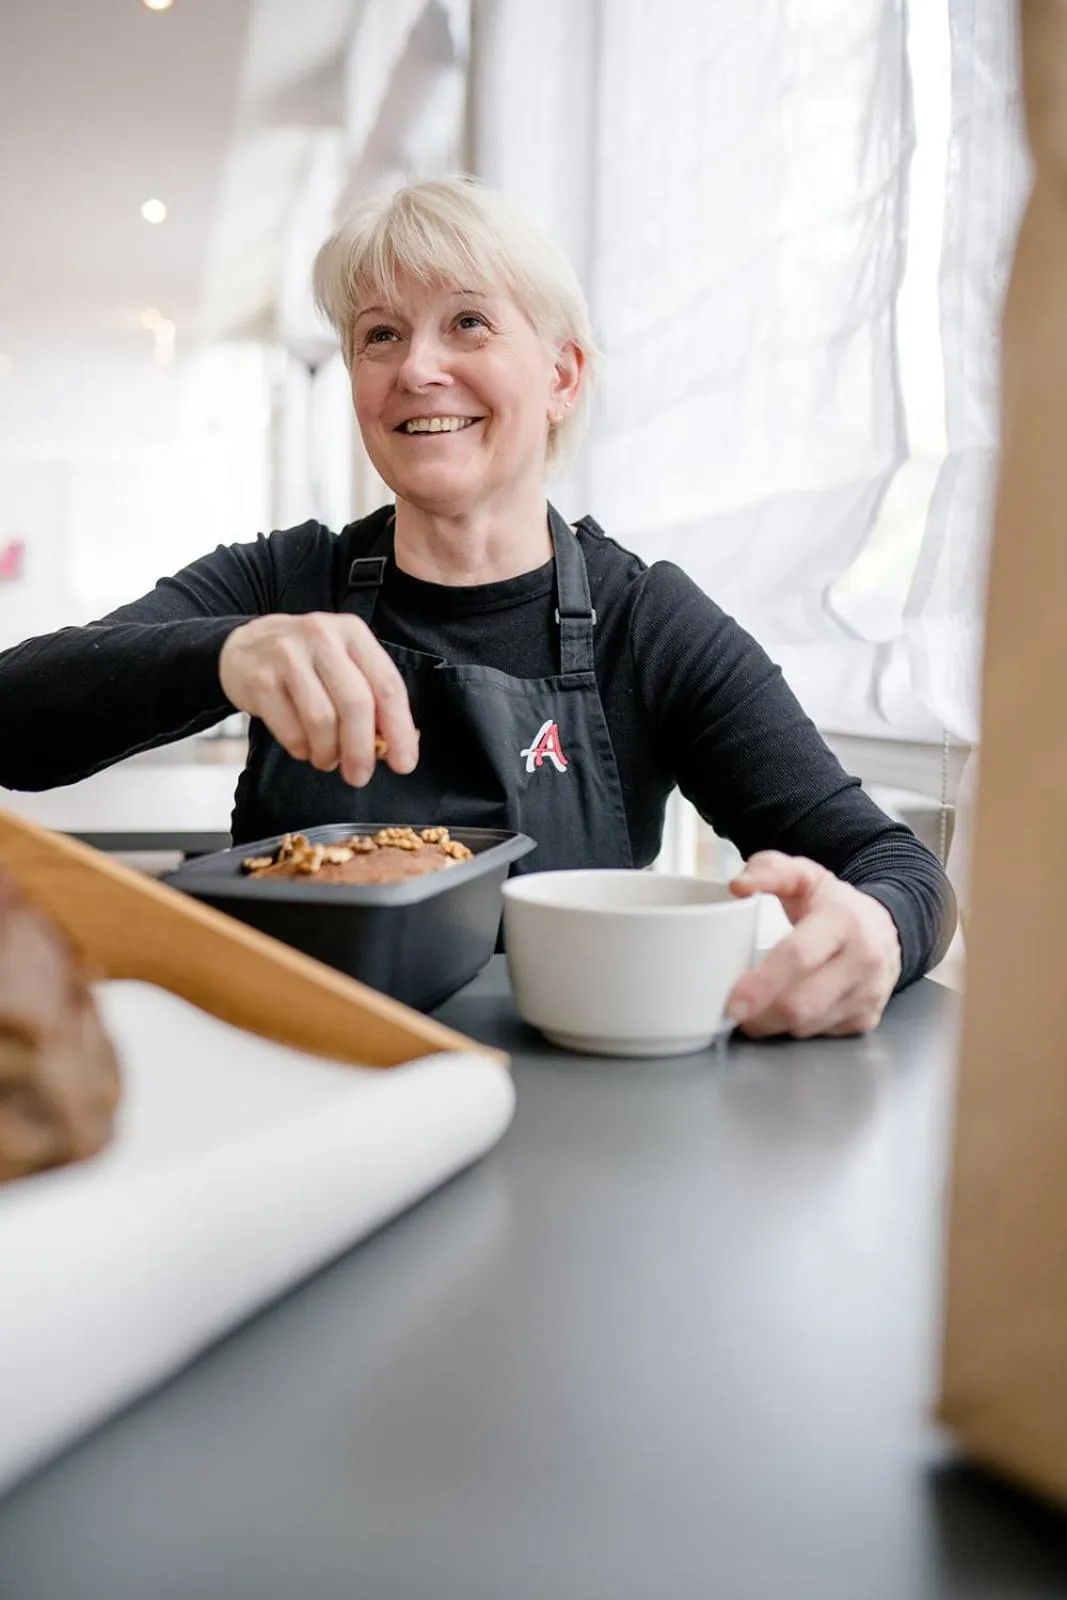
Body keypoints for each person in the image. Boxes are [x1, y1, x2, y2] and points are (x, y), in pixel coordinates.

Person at [0, 178, 954, 1039]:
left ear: (561, 377)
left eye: (467, 323)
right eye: (379, 334)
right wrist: (224, 655)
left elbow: (893, 869)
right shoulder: (282, 583)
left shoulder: (646, 622)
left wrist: (872, 930)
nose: (417, 368)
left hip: (571, 1109)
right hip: (292, 1065)